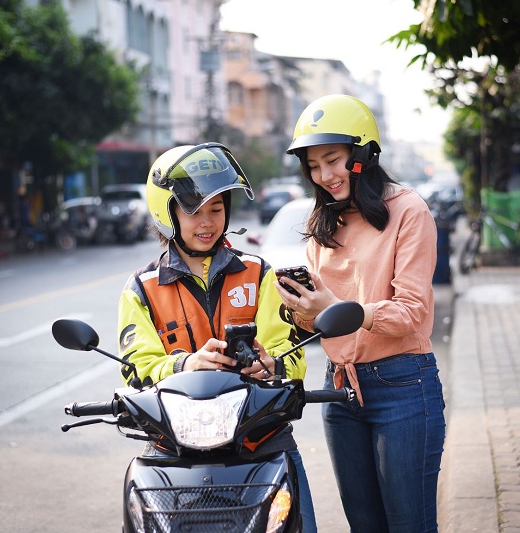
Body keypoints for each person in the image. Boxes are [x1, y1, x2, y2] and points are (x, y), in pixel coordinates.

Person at [116, 142, 319, 532]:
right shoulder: (141, 289)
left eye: (216, 208)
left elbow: (291, 357)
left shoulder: (259, 275)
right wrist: (186, 364)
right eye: (193, 210)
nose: (207, 222)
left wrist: (270, 364)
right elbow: (135, 369)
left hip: (260, 440)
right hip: (173, 447)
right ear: (167, 212)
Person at [275, 94, 446, 533]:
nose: (324, 175)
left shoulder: (409, 211)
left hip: (403, 388)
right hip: (339, 391)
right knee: (364, 526)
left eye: (332, 159)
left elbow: (411, 311)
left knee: (409, 525)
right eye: (313, 166)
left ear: (362, 153)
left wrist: (339, 309)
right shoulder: (323, 222)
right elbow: (320, 321)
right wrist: (298, 313)